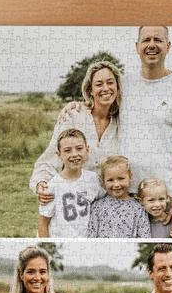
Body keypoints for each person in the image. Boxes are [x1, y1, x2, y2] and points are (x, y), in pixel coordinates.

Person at [120, 25, 172, 230]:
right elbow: (97, 113)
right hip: (125, 195)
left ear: (168, 45)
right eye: (146, 40)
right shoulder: (122, 85)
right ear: (137, 46)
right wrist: (74, 106)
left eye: (158, 40)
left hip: (166, 200)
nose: (152, 45)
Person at [31, 59, 122, 204]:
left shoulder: (123, 121)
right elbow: (51, 157)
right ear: (90, 90)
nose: (106, 88)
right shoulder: (74, 115)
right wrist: (41, 183)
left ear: (117, 86)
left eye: (110, 82)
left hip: (110, 205)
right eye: (99, 84)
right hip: (74, 202)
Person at [36, 129, 104, 238]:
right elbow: (43, 222)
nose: (74, 154)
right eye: (67, 150)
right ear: (59, 155)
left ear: (87, 150)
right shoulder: (53, 185)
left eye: (79, 148)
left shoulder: (93, 179)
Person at [87, 155, 151, 238]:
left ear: (130, 177)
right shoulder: (97, 207)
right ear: (103, 180)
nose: (116, 184)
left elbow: (145, 236)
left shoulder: (138, 208)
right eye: (110, 180)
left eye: (121, 178)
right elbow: (90, 236)